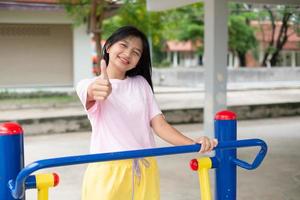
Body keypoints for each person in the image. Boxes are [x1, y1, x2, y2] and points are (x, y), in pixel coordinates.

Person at [76, 25, 218, 200]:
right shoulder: (87, 84)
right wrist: (97, 89)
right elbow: (91, 91)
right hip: (108, 170)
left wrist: (192, 143)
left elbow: (159, 125)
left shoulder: (141, 84)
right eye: (123, 45)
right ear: (108, 46)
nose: (128, 54)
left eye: (136, 52)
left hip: (145, 167)